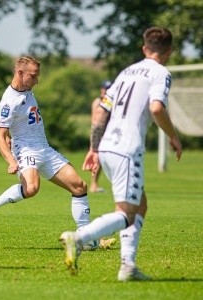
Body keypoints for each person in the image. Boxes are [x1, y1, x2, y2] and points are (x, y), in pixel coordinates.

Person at [59, 27, 182, 281]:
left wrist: (94, 148)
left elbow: (100, 112)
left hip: (107, 146)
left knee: (141, 204)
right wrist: (173, 135)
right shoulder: (161, 73)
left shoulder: (126, 72)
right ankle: (78, 238)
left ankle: (128, 266)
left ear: (144, 48)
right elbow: (157, 107)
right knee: (126, 213)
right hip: (127, 148)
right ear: (169, 51)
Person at [0, 56, 114, 251]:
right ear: (20, 73)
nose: (37, 80)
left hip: (44, 148)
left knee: (79, 186)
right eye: (33, 76)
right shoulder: (9, 101)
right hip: (25, 149)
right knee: (31, 189)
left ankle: (86, 238)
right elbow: (0, 136)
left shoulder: (27, 89)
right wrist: (12, 161)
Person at [89, 80, 112, 193]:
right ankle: (93, 185)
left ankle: (95, 184)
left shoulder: (110, 101)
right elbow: (95, 120)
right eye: (105, 88)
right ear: (101, 89)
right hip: (98, 134)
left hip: (107, 133)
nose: (106, 90)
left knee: (103, 160)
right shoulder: (98, 101)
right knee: (97, 159)